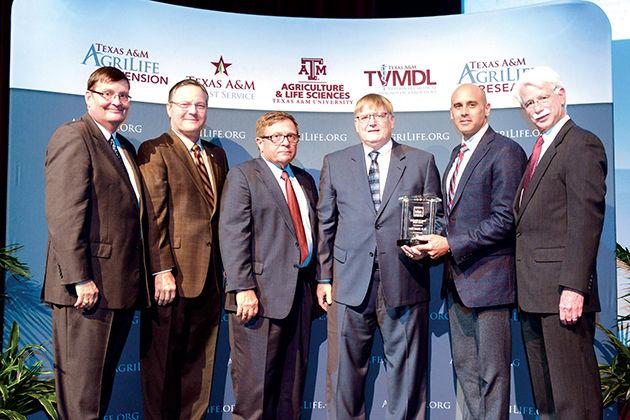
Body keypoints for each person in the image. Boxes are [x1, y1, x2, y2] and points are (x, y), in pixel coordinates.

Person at [317, 93, 441, 419]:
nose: (372, 122)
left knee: (408, 374)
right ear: (356, 124)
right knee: (343, 375)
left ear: (392, 120)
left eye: (379, 115)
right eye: (364, 117)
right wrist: (324, 277)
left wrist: (425, 244)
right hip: (347, 283)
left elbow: (436, 218)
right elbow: (325, 224)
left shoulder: (420, 160)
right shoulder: (335, 161)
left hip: (405, 278)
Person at [411, 84, 526, 419]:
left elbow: (505, 219)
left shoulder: (505, 151)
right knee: (467, 372)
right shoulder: (456, 155)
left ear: (486, 109)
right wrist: (427, 242)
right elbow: (453, 217)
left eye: (471, 104)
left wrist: (451, 245)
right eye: (457, 105)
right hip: (457, 282)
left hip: (490, 284)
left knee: (492, 375)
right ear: (450, 113)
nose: (464, 111)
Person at [43, 66, 149, 419]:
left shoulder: (124, 147)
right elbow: (64, 215)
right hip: (85, 289)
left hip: (116, 287)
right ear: (89, 97)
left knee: (97, 393)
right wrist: (78, 278)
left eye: (123, 95)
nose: (116, 102)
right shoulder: (74, 137)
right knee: (80, 397)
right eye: (107, 94)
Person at [513, 66, 606, 419]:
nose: (535, 107)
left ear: (561, 95)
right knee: (549, 398)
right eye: (528, 103)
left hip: (563, 295)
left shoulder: (581, 144)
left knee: (574, 396)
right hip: (533, 294)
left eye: (542, 98)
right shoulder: (539, 148)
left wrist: (573, 287)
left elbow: (586, 222)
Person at [137, 79, 228, 419]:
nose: (193, 111)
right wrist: (161, 271)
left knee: (198, 374)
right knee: (162, 375)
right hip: (171, 279)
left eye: (200, 105)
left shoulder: (215, 155)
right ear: (169, 109)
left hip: (210, 281)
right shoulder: (155, 149)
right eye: (185, 104)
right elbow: (154, 217)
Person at [219, 111, 318, 420]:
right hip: (258, 298)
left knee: (291, 390)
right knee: (255, 393)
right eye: (277, 137)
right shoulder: (244, 176)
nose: (285, 142)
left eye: (291, 136)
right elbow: (233, 235)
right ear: (260, 142)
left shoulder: (303, 179)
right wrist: (243, 290)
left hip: (300, 295)